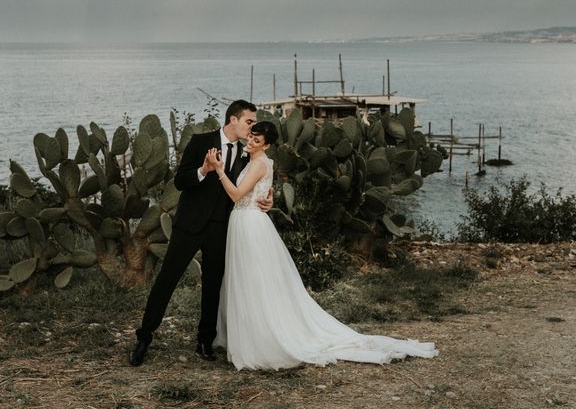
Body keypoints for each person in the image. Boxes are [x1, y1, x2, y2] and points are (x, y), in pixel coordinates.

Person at [205, 120, 438, 370]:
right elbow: (264, 190)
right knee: (249, 279)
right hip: (248, 221)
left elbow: (237, 195)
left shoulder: (259, 163)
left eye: (257, 140)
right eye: (251, 137)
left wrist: (219, 170)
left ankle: (262, 338)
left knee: (254, 280)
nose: (250, 142)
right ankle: (249, 334)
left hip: (249, 223)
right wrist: (268, 199)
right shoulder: (264, 162)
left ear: (268, 145)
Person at [129, 100, 273, 367]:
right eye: (249, 122)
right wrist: (204, 170)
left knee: (213, 285)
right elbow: (180, 181)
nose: (252, 128)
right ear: (233, 120)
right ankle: (144, 337)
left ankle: (205, 341)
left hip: (222, 227)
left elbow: (252, 187)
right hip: (189, 225)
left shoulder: (247, 154)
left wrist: (267, 200)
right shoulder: (200, 141)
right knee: (167, 279)